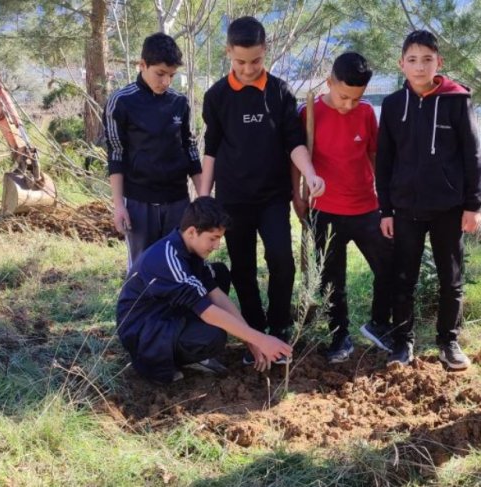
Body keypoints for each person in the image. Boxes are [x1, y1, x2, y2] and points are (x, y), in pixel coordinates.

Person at [199, 16, 325, 365]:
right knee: (242, 268)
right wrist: (204, 199)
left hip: (272, 197)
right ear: (228, 53)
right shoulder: (217, 96)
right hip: (232, 199)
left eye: (255, 60)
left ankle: (279, 329)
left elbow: (294, 144)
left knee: (282, 260)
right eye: (240, 61)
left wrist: (310, 174)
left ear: (265, 51)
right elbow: (210, 150)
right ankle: (254, 331)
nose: (249, 68)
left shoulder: (281, 92)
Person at [371, 30, 481, 368]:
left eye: (427, 59)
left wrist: (473, 205)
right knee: (403, 278)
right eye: (412, 60)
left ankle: (449, 342)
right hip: (405, 209)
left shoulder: (457, 99)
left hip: (448, 209)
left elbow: (473, 155)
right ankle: (402, 342)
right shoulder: (392, 105)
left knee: (451, 279)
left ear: (439, 62)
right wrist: (385, 210)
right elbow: (385, 161)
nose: (419, 67)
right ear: (401, 64)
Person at [116, 197, 293, 384]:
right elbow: (208, 313)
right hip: (144, 331)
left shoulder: (190, 251)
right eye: (213, 238)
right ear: (192, 232)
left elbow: (216, 295)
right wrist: (262, 340)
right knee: (212, 336)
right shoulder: (168, 259)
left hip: (164, 314)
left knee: (219, 273)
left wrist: (252, 341)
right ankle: (155, 363)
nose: (217, 246)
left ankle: (183, 347)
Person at [296, 52, 394, 363]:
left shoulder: (366, 114)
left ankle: (379, 323)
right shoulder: (308, 112)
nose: (348, 104)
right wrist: (296, 197)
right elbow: (298, 159)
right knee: (331, 279)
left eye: (356, 98)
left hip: (366, 208)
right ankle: (340, 336)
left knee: (388, 266)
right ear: (329, 83)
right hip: (325, 211)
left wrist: (387, 200)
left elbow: (375, 156)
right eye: (343, 96)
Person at [105, 33, 202, 272]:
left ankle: (177, 311)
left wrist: (203, 197)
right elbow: (116, 155)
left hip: (178, 200)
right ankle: (139, 310)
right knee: (142, 269)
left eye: (171, 75)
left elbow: (190, 149)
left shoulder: (180, 102)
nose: (166, 81)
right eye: (160, 73)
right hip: (139, 202)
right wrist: (119, 205)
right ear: (142, 65)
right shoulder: (121, 101)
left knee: (180, 266)